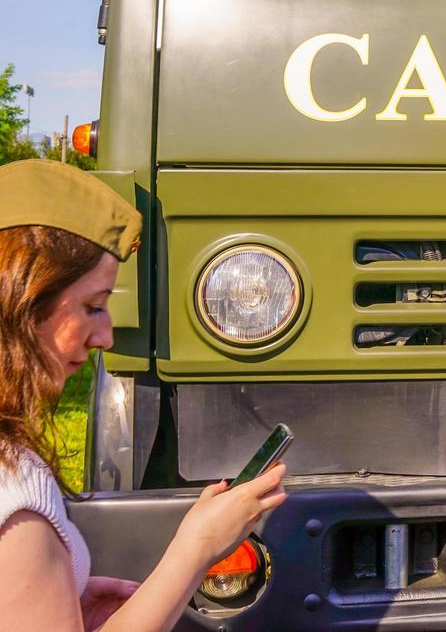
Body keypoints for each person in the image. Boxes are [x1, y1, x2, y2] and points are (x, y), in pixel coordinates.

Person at [0, 159, 287, 630]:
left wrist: (63, 593)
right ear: (20, 299)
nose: (106, 336)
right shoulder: (14, 495)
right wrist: (196, 549)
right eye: (92, 306)